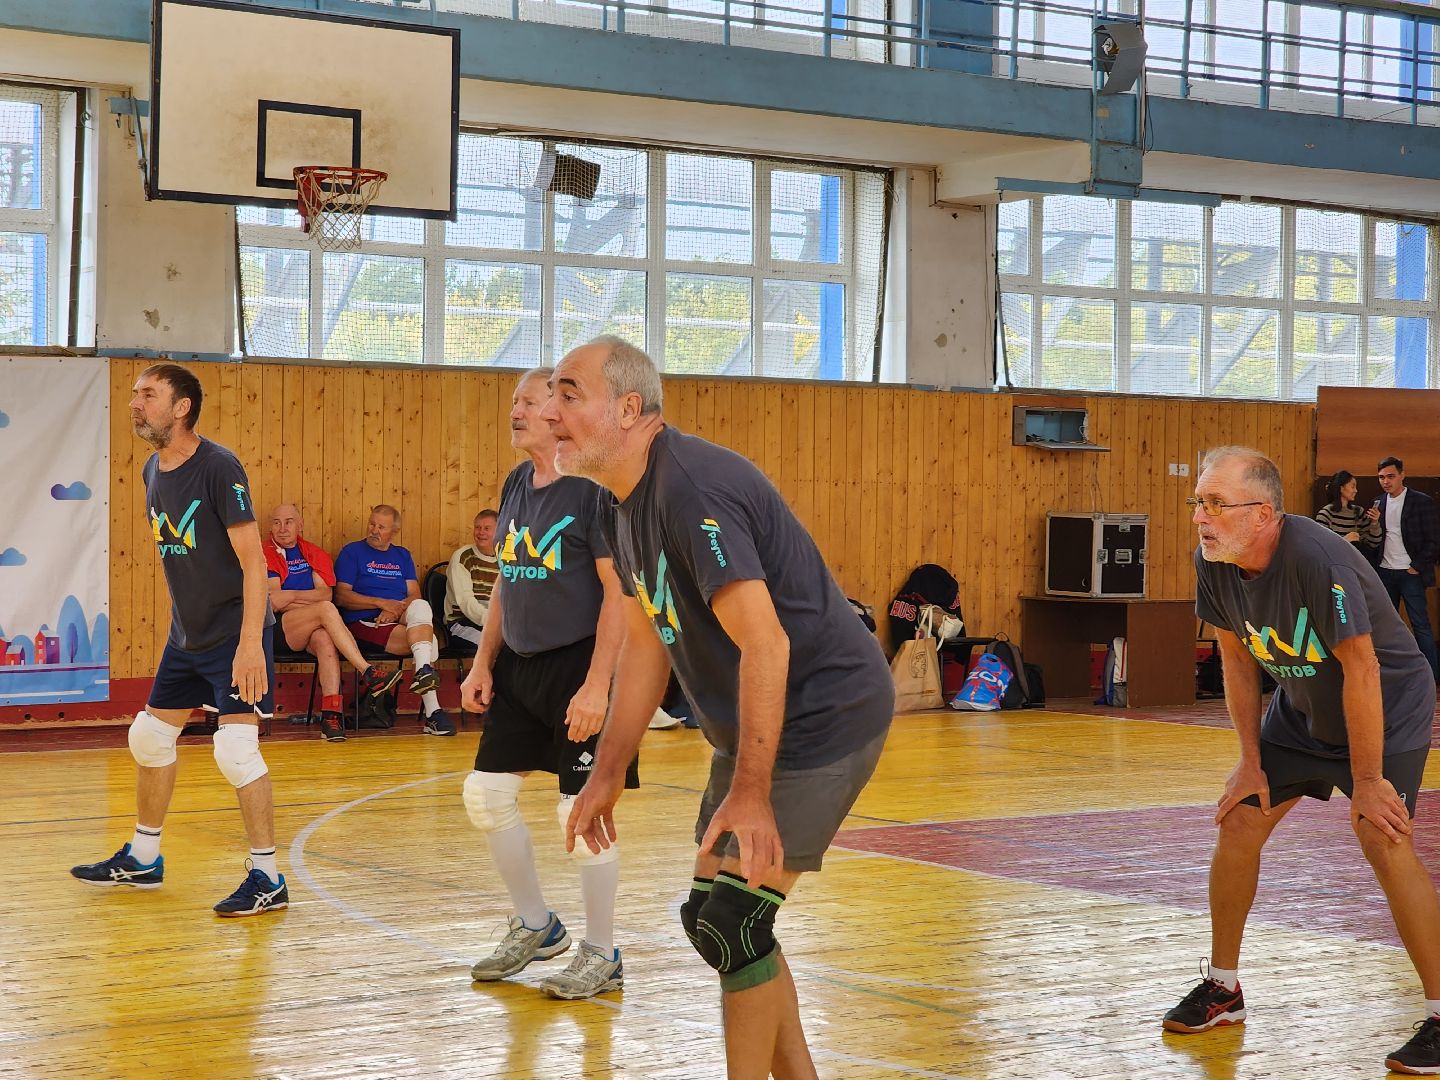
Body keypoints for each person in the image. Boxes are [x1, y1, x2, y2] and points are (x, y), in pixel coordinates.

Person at [548, 336, 894, 1078]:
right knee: (713, 921)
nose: (551, 412)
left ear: (629, 409)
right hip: (755, 723)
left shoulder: (691, 489)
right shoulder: (617, 503)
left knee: (735, 924)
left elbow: (767, 644)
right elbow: (647, 641)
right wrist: (607, 771)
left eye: (569, 394)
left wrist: (752, 792)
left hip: (823, 712)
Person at [1163, 446, 1440, 1076]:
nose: (1201, 517)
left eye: (1215, 504)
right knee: (1241, 816)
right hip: (1303, 708)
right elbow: (1236, 659)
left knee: (1382, 835)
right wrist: (1248, 760)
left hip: (1384, 706)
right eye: (1198, 502)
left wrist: (1367, 781)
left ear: (1262, 513)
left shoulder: (1318, 558)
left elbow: (1362, 668)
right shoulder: (1215, 561)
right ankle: (1223, 989)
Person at [70, 364, 288, 916]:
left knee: (236, 751)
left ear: (182, 407)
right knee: (147, 738)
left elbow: (254, 564)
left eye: (148, 394)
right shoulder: (152, 470)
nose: (135, 403)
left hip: (235, 635)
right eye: (134, 394)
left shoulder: (219, 467)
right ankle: (143, 858)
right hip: (187, 637)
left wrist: (249, 645)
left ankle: (268, 877)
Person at [459, 365, 636, 1001]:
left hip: (578, 667)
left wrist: (597, 685)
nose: (516, 411)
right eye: (514, 401)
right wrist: (483, 661)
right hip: (519, 666)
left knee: (581, 812)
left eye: (528, 402)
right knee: (485, 796)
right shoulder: (515, 483)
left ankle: (603, 953)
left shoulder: (592, 490)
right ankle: (538, 926)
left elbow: (619, 594)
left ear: (558, 414)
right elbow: (508, 580)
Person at [266, 503, 397, 742]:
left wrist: (293, 595)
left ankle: (331, 716)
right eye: (277, 522)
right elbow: (276, 602)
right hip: (275, 628)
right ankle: (367, 671)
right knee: (326, 611)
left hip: (308, 625)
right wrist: (311, 604)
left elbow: (325, 594)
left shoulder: (313, 553)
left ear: (300, 526)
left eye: (289, 522)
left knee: (326, 639)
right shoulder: (265, 552)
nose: (282, 528)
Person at [334, 504, 454, 736]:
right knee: (428, 643)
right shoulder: (352, 552)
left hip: (397, 616)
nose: (374, 530)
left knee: (421, 606)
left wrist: (395, 611)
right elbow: (341, 596)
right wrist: (380, 603)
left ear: (394, 531)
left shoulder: (402, 555)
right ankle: (433, 712)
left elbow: (414, 595)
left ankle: (424, 671)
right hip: (366, 621)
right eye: (372, 524)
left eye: (381, 527)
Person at [1373, 456, 1440, 679]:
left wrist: (1416, 566)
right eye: (1381, 477)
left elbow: (1434, 540)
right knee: (1385, 626)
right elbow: (1376, 540)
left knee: (1420, 624)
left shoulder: (1421, 501)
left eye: (1390, 476)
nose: (1386, 481)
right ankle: (1391, 675)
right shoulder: (1378, 502)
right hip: (1385, 571)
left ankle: (1431, 675)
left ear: (1402, 475)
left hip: (1410, 572)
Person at [444, 509, 500, 649]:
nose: (481, 532)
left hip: (495, 622)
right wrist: (494, 622)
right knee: (494, 648)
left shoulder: (506, 558)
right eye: (477, 527)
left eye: (487, 528)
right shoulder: (463, 557)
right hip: (461, 622)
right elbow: (465, 602)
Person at [1314, 470, 1381, 551]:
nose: (1356, 490)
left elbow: (1373, 543)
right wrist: (1345, 540)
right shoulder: (1325, 514)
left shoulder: (1358, 512)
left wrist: (1374, 523)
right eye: (1352, 487)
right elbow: (1320, 547)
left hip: (1355, 558)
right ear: (1341, 488)